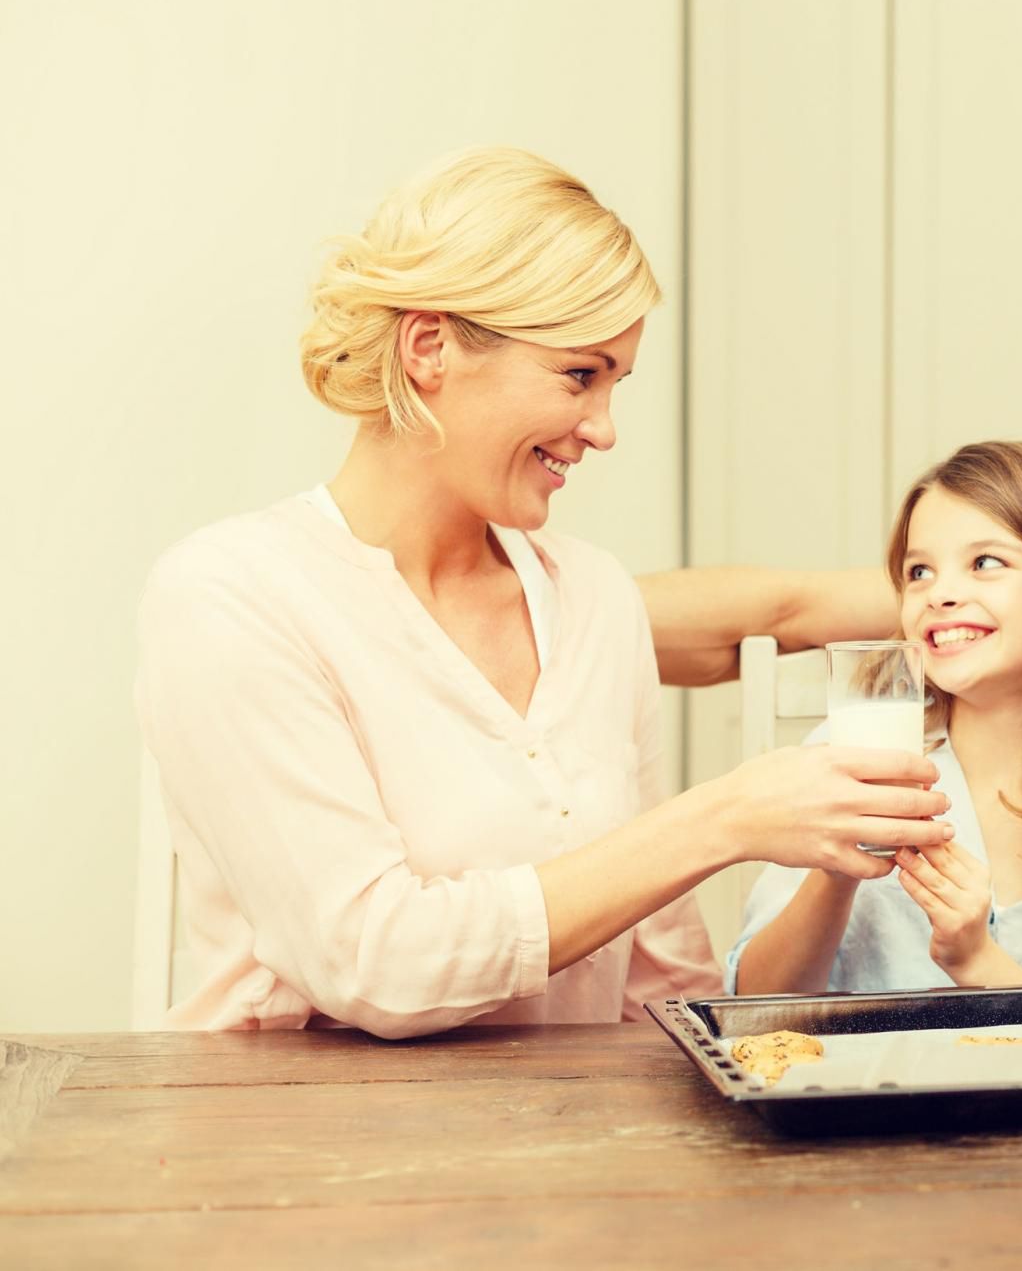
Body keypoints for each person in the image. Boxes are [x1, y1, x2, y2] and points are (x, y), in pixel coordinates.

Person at [134, 147, 951, 1037]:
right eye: (579, 375)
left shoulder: (592, 597)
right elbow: (371, 962)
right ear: (429, 347)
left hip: (570, 1149)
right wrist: (724, 818)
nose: (602, 430)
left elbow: (659, 988)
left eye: (616, 384)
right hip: (297, 1150)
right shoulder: (233, 594)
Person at [728, 442, 1022, 994]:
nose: (941, 594)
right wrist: (834, 873)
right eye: (919, 571)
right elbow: (755, 1004)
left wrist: (978, 962)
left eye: (985, 563)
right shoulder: (843, 760)